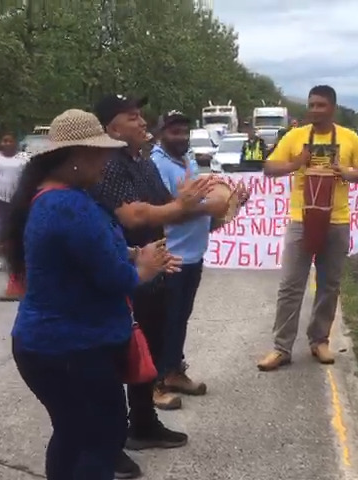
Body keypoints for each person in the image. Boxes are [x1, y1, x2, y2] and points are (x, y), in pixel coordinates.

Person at [5, 108, 182, 480]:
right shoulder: (70, 206)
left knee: (72, 434)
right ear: (77, 157)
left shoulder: (49, 197)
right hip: (72, 350)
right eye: (101, 155)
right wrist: (146, 267)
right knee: (100, 436)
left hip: (49, 346)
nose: (106, 163)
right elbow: (116, 279)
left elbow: (85, 254)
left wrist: (135, 253)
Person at [89, 94, 212, 479]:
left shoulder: (142, 162)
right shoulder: (108, 164)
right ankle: (107, 443)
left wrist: (212, 206)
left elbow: (167, 207)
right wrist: (183, 206)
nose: (143, 123)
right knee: (115, 360)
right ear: (112, 128)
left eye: (141, 116)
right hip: (122, 272)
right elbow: (134, 214)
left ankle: (143, 423)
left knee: (149, 352)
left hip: (154, 270)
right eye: (133, 117)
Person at [256, 85, 358, 371]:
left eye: (321, 105)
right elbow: (269, 168)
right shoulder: (295, 136)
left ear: (333, 107)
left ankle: (319, 340)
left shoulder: (349, 138)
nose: (315, 110)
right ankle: (281, 347)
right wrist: (297, 163)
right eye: (311, 105)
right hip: (301, 219)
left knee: (329, 285)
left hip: (337, 220)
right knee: (290, 285)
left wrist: (345, 172)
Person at [150, 110, 248, 402]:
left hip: (192, 255)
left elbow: (203, 204)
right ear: (160, 134)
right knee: (162, 321)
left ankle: (173, 371)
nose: (181, 137)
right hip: (169, 257)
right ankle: (155, 383)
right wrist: (208, 207)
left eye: (185, 131)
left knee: (179, 319)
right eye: (174, 132)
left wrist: (232, 203)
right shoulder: (157, 165)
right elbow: (164, 211)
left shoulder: (187, 160)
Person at [0, 133, 30, 273]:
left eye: (10, 141)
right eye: (4, 141)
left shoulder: (24, 158)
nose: (7, 144)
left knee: (18, 227)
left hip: (18, 199)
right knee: (0, 228)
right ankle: (2, 259)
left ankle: (21, 258)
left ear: (15, 143)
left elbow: (30, 176)